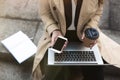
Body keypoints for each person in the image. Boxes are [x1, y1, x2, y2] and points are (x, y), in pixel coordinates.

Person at [32, 0, 120, 80]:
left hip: (84, 34)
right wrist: (54, 30)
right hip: (58, 33)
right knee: (53, 71)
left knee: (95, 72)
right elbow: (45, 13)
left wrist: (90, 27)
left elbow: (98, 9)